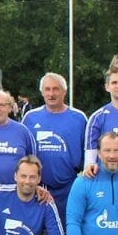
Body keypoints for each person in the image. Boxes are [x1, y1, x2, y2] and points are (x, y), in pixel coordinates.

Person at [22, 72, 88, 210]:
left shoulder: (79, 118)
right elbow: (23, 152)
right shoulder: (30, 118)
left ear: (64, 91)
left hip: (68, 187)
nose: (51, 94)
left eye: (55, 89)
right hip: (37, 188)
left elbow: (88, 154)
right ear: (42, 92)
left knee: (67, 228)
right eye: (47, 89)